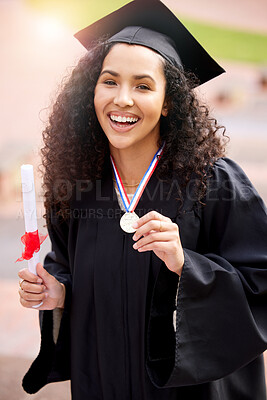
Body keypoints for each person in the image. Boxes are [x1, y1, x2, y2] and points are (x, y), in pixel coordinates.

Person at [18, 0, 267, 399]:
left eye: (144, 86)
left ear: (169, 102)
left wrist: (188, 264)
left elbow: (260, 283)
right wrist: (59, 292)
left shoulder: (214, 182)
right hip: (101, 382)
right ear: (91, 90)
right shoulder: (79, 186)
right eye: (110, 81)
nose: (123, 99)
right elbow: (64, 264)